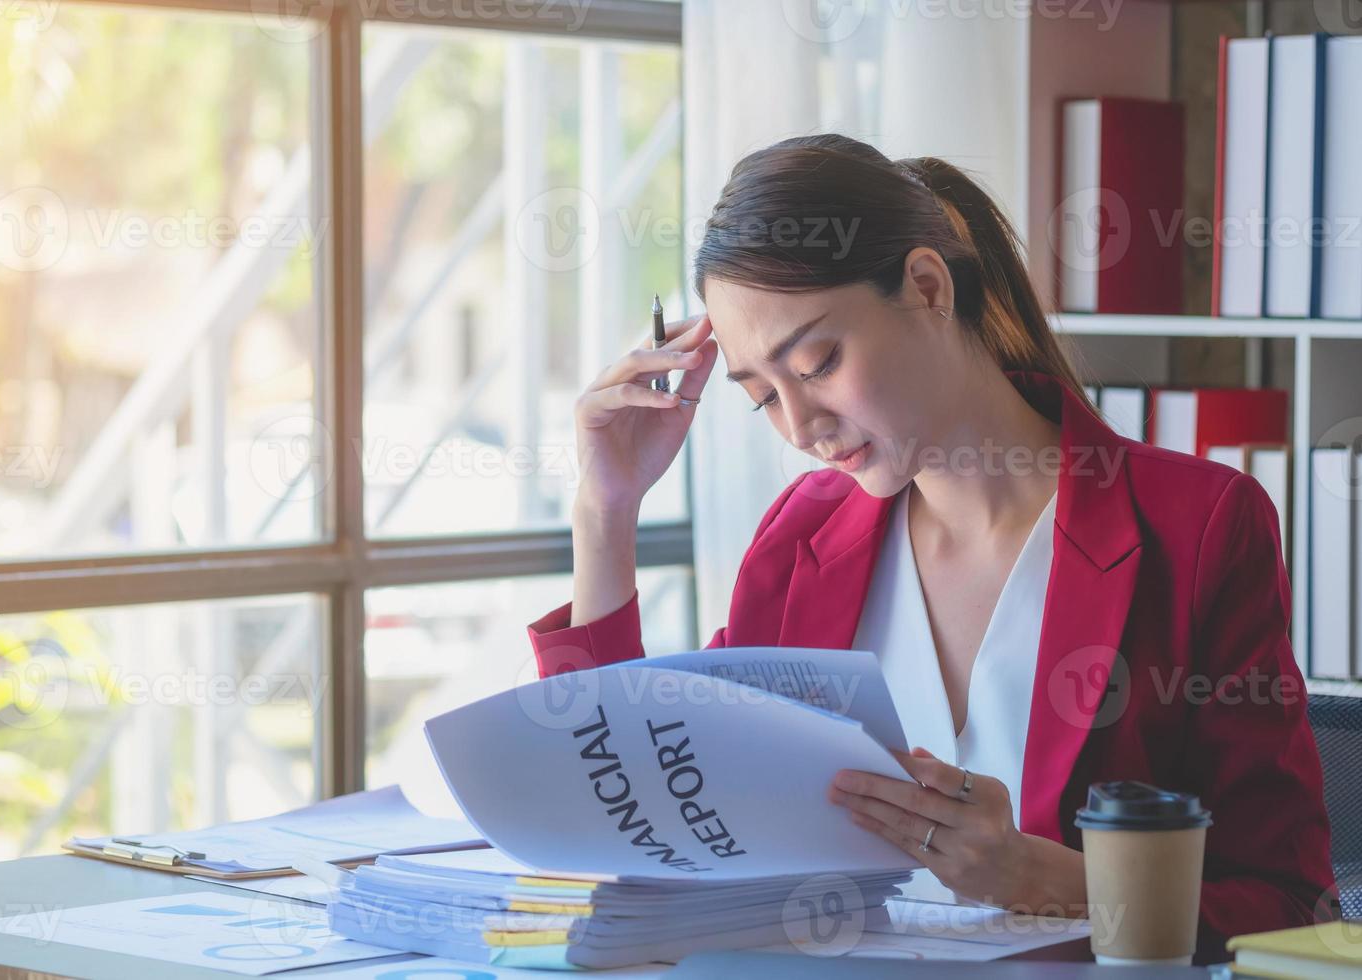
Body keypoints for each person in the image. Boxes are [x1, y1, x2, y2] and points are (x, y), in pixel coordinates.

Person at [523, 134, 1335, 959]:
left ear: (926, 286)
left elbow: (1290, 907)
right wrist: (605, 509)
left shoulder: (1195, 526)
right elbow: (638, 813)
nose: (801, 428)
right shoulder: (799, 538)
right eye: (762, 396)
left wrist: (1045, 878)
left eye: (818, 362)